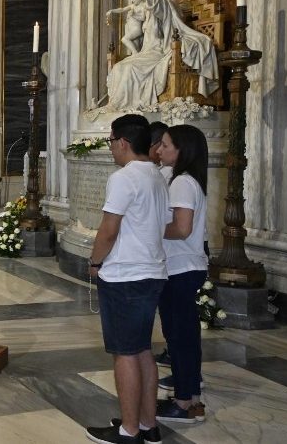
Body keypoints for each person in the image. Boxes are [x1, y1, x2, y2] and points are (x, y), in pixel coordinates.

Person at [86, 114, 170, 444]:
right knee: (142, 351)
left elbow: (108, 230)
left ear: (122, 142)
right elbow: (162, 225)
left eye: (110, 142)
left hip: (125, 276)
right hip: (152, 272)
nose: (110, 148)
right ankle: (148, 424)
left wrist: (94, 262)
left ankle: (129, 431)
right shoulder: (157, 176)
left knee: (125, 353)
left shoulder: (124, 178)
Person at [154, 124, 209, 424]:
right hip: (184, 268)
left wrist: (149, 229)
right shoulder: (186, 181)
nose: (159, 150)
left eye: (165, 145)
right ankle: (191, 398)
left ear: (182, 150)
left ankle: (184, 402)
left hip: (180, 268)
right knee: (183, 337)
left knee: (180, 339)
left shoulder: (182, 183)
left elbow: (182, 228)